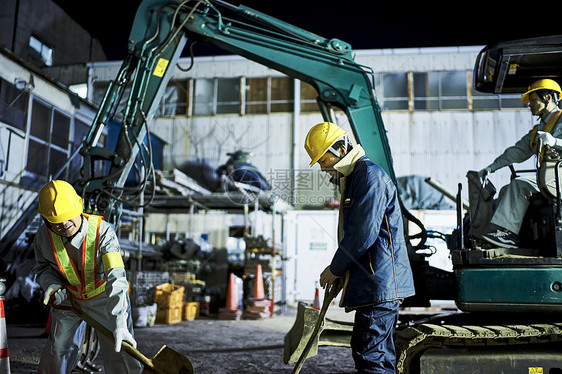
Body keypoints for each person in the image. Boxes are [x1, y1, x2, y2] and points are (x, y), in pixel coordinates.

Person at [304, 122, 415, 374]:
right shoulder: (356, 178)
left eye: (324, 159)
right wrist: (346, 274)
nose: (323, 168)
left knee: (370, 356)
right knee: (374, 355)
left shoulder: (368, 176)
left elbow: (362, 234)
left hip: (379, 284)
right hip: (375, 282)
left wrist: (335, 268)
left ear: (341, 147)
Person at [32, 180, 143, 374]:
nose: (64, 224)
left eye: (68, 217)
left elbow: (116, 277)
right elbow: (42, 269)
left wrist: (119, 322)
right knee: (58, 350)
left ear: (79, 207)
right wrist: (52, 285)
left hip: (105, 298)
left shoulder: (103, 232)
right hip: (68, 298)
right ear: (46, 219)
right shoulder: (43, 237)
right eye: (55, 222)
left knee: (120, 349)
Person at [479, 79, 562, 248]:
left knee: (519, 184)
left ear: (547, 97)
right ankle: (503, 235)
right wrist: (491, 168)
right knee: (506, 190)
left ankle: (507, 235)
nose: (529, 105)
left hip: (558, 178)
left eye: (533, 100)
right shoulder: (538, 130)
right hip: (552, 179)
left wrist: (555, 142)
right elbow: (516, 152)